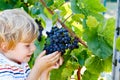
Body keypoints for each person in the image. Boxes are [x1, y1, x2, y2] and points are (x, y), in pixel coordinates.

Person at [0, 8, 63, 80]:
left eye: (33, 43)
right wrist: (37, 69)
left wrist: (45, 70)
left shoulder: (21, 63)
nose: (33, 48)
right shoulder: (2, 69)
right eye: (27, 45)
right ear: (5, 46)